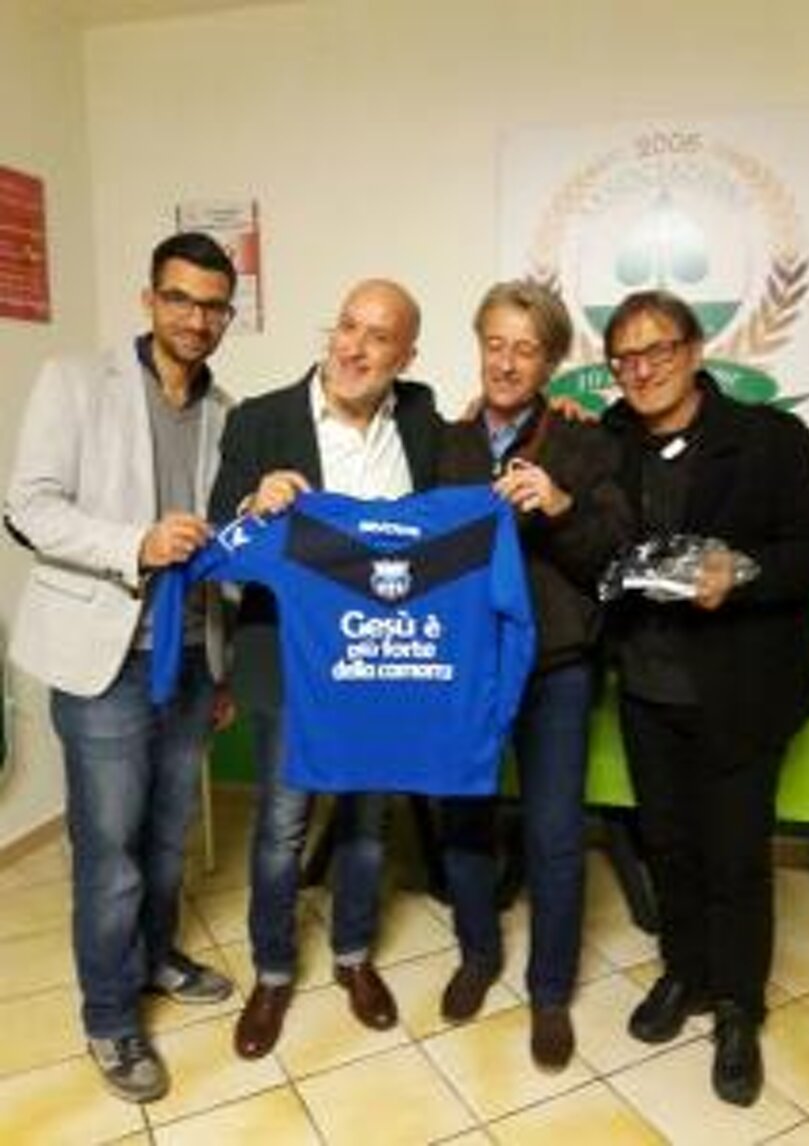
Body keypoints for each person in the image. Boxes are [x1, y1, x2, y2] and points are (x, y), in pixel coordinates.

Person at [3, 232, 239, 1103]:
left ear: (227, 316)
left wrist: (222, 669)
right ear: (149, 299)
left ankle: (154, 959)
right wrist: (135, 543)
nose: (195, 320)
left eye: (213, 306)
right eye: (179, 299)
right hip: (102, 660)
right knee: (110, 854)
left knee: (167, 837)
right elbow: (27, 507)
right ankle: (109, 1015)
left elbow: (229, 545)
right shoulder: (76, 381)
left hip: (191, 658)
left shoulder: (228, 412)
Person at [600, 289, 809, 1105]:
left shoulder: (770, 438)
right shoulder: (608, 441)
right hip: (646, 687)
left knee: (735, 856)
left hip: (743, 688)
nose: (642, 370)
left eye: (658, 350)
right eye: (625, 358)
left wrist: (739, 575)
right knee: (668, 844)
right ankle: (686, 973)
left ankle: (738, 1006)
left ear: (695, 351)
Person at [208, 278, 441, 1059]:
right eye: (347, 326)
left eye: (378, 337)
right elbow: (219, 543)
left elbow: (462, 499)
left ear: (406, 357)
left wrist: (558, 421)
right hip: (291, 660)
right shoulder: (259, 420)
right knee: (282, 826)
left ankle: (353, 957)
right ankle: (274, 972)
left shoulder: (421, 417)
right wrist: (253, 505)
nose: (354, 347)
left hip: (379, 663)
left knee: (367, 822)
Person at [435, 280, 632, 1070]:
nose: (507, 363)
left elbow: (611, 559)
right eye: (495, 344)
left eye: (525, 349)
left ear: (549, 362)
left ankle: (549, 992)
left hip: (556, 667)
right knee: (463, 818)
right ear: (479, 346)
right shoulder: (444, 443)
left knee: (553, 833)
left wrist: (560, 506)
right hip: (466, 668)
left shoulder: (585, 443)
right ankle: (478, 954)